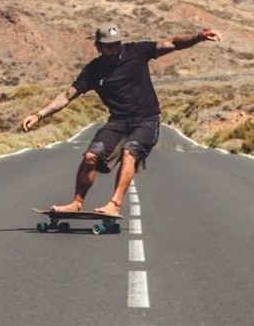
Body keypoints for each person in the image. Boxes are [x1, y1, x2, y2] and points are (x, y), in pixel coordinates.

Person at [21, 23, 221, 217]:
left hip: (146, 120)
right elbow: (66, 96)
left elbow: (173, 43)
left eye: (117, 44)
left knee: (129, 151)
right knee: (90, 156)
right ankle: (77, 203)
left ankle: (114, 204)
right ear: (98, 46)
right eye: (109, 46)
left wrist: (200, 36)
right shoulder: (94, 70)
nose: (115, 49)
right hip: (117, 122)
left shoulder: (137, 52)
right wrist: (38, 115)